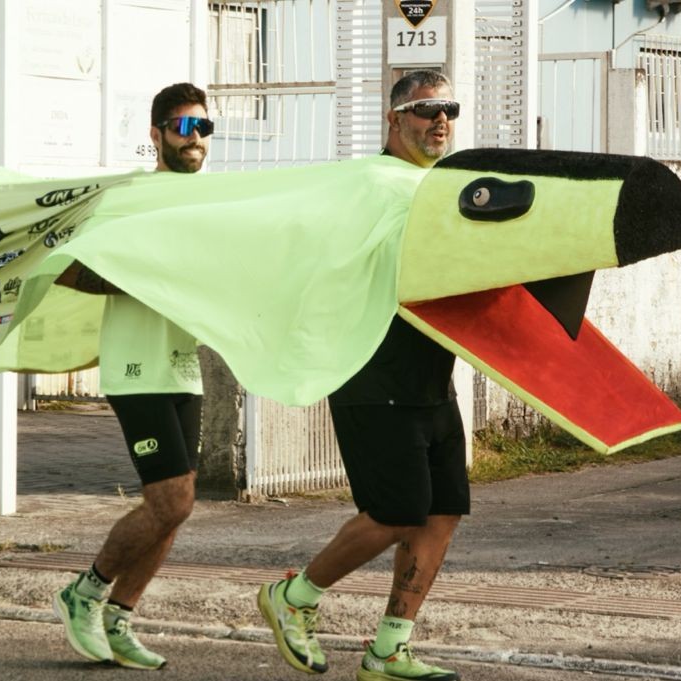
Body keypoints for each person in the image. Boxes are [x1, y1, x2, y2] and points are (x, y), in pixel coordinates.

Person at [257, 69, 465, 681]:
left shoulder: (442, 187)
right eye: (426, 110)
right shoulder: (371, 183)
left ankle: (388, 649)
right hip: (372, 374)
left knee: (443, 510)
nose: (440, 121)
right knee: (396, 511)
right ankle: (292, 597)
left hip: (431, 377)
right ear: (394, 120)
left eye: (448, 109)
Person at [50, 82, 213, 671]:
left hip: (183, 367)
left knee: (181, 505)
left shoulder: (212, 200)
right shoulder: (130, 197)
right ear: (156, 134)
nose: (194, 139)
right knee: (168, 500)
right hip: (135, 367)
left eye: (203, 128)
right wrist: (139, 278)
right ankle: (85, 592)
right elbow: (63, 267)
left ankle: (120, 619)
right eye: (182, 126)